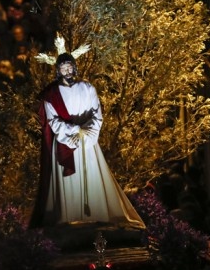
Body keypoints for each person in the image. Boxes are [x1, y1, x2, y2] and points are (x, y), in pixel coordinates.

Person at [29, 37, 144, 228]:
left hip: (87, 140)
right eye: (63, 68)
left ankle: (93, 213)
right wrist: (73, 131)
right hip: (66, 140)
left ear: (75, 68)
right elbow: (53, 120)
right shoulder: (52, 94)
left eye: (70, 67)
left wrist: (86, 133)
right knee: (70, 182)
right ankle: (69, 215)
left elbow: (96, 113)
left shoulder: (87, 88)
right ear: (58, 71)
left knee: (90, 176)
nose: (67, 71)